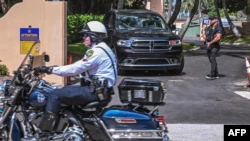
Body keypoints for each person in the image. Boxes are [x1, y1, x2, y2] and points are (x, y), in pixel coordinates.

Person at [30, 21, 117, 138]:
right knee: (64, 90)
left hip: (94, 92)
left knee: (55, 94)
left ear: (94, 36)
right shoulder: (102, 48)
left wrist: (48, 69)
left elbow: (75, 69)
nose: (83, 38)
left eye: (86, 35)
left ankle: (44, 132)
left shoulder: (96, 52)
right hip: (98, 90)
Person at [204, 16, 222, 80]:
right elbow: (205, 36)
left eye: (212, 19)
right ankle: (216, 74)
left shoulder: (218, 28)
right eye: (210, 19)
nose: (210, 20)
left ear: (216, 20)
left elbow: (218, 38)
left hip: (215, 46)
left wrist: (210, 43)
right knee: (212, 60)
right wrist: (204, 30)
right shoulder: (209, 28)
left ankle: (212, 75)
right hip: (209, 46)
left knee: (212, 58)